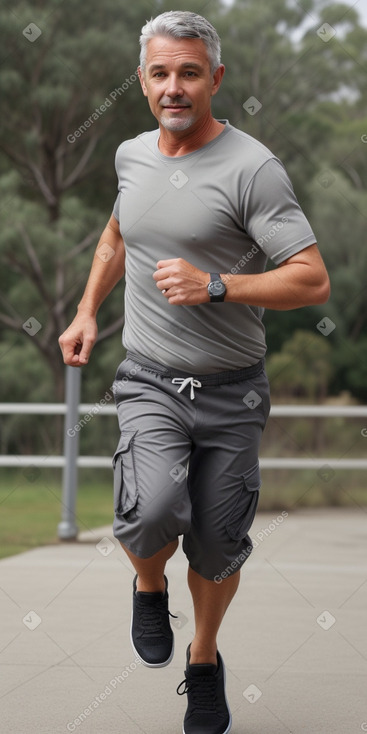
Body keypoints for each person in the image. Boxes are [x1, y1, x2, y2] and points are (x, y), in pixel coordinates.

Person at [59, 10, 330, 734]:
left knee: (216, 544)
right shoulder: (130, 156)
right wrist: (87, 310)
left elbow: (310, 280)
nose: (172, 87)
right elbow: (118, 235)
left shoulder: (251, 168)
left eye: (187, 73)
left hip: (232, 390)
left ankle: (203, 660)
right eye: (158, 73)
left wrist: (219, 285)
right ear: (142, 82)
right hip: (150, 376)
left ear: (213, 78)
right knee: (148, 513)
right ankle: (149, 586)